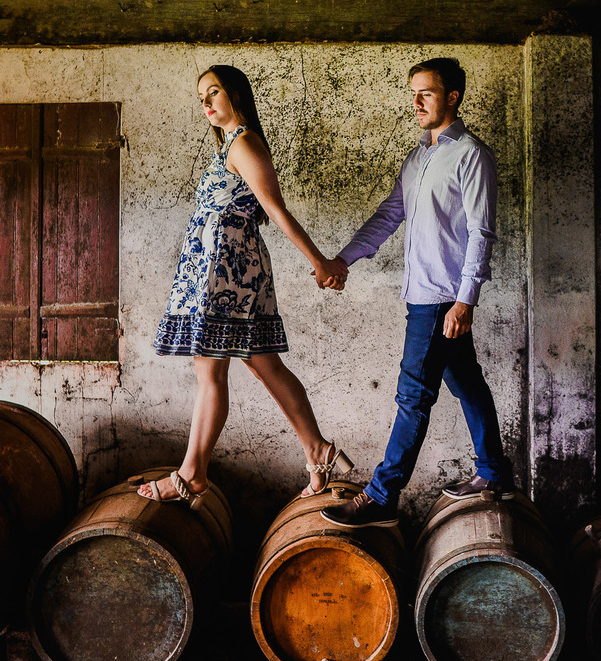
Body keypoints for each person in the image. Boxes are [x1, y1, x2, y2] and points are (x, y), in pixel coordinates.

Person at [142, 64, 352, 508]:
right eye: (201, 96)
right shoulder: (231, 147)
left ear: (235, 93)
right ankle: (318, 451)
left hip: (228, 272)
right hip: (226, 267)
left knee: (210, 369)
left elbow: (275, 210)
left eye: (213, 92)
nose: (206, 103)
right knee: (263, 363)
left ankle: (192, 473)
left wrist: (319, 262)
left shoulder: (244, 143)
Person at [321, 57, 515, 529]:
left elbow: (481, 234)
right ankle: (494, 474)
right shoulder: (419, 156)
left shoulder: (471, 154)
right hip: (423, 296)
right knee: (468, 385)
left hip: (442, 299)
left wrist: (465, 300)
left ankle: (382, 496)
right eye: (413, 92)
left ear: (452, 97)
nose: (416, 102)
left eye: (425, 93)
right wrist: (344, 258)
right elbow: (390, 215)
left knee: (413, 397)